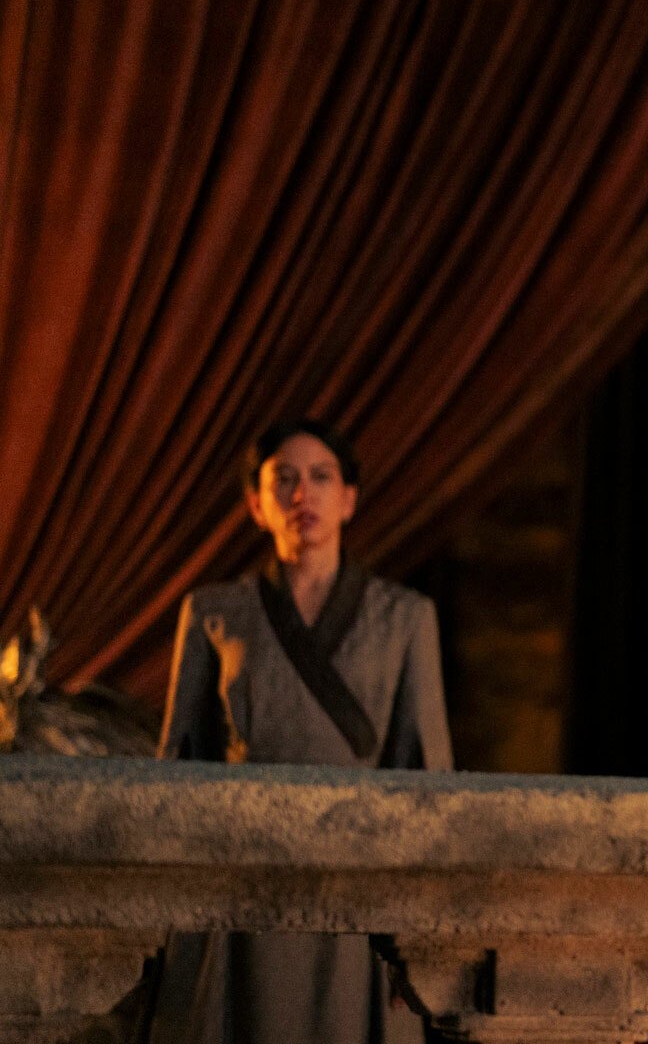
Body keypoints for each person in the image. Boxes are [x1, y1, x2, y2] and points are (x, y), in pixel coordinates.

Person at [150, 419, 450, 1044]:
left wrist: (420, 933)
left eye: (320, 477)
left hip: (358, 890)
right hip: (241, 888)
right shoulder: (213, 612)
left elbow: (426, 778)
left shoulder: (404, 617)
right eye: (282, 479)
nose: (301, 495)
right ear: (255, 505)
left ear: (348, 500)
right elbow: (178, 770)